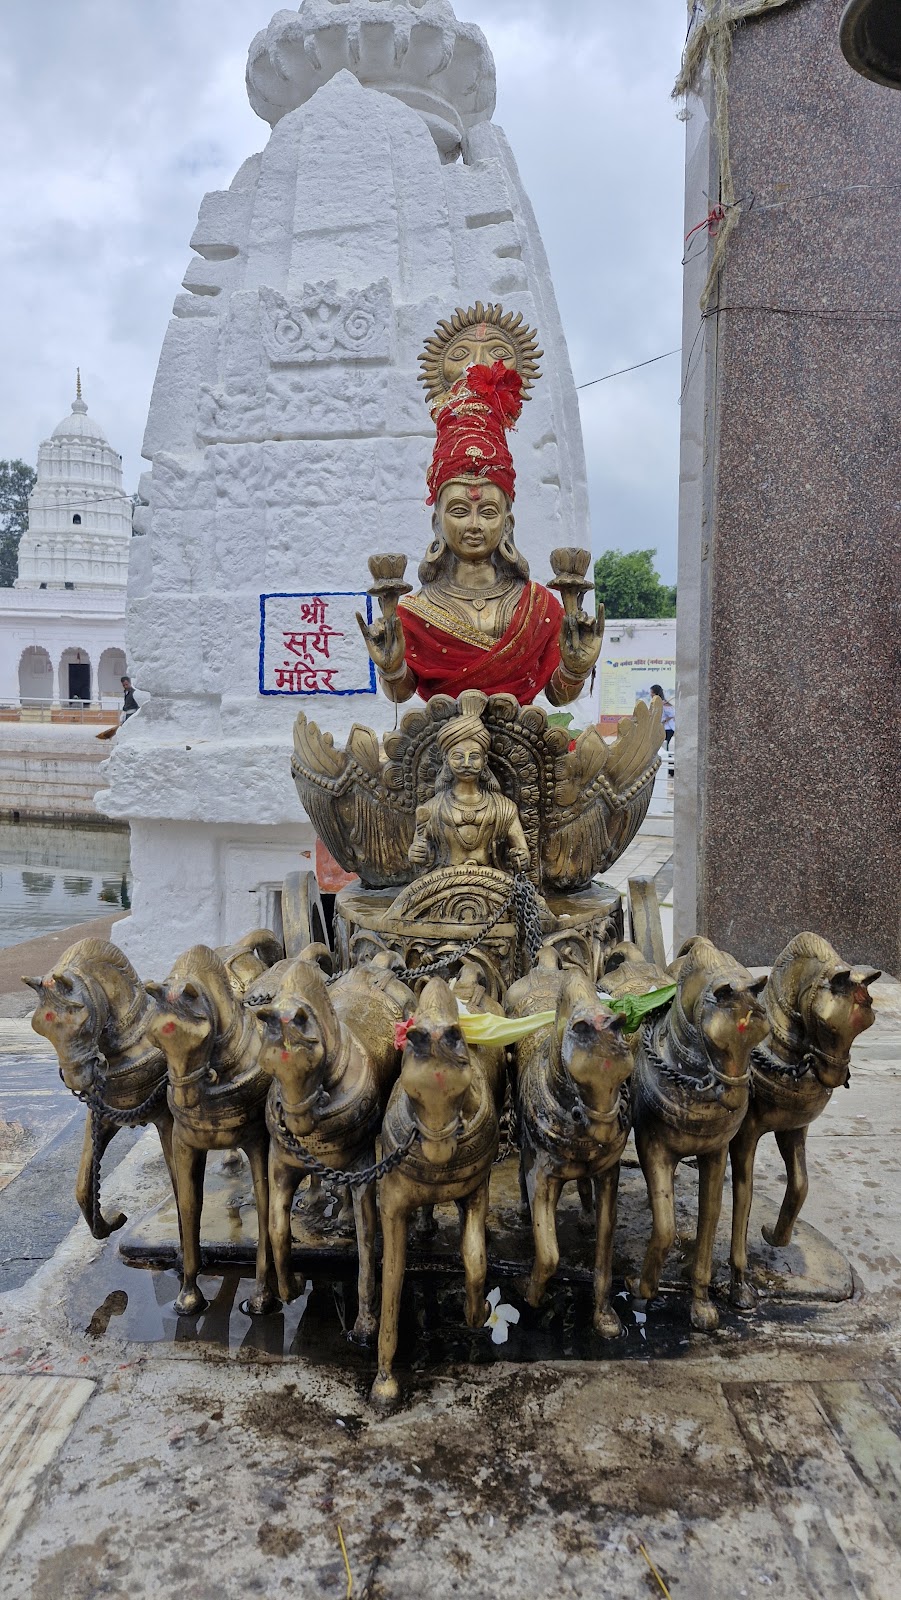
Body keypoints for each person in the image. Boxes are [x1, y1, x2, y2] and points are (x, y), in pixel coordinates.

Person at [357, 360, 602, 707]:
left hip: (524, 751)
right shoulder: (414, 611)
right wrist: (392, 669)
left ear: (507, 523)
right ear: (437, 523)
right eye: (459, 510)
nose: (474, 524)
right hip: (440, 751)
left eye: (487, 511)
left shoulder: (538, 605)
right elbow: (402, 692)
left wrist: (576, 670)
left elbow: (556, 696)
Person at [650, 683, 675, 750]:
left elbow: (672, 714)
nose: (650, 694)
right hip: (660, 728)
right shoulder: (656, 703)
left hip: (666, 729)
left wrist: (663, 721)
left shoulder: (664, 703)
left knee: (664, 747)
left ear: (655, 693)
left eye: (651, 692)